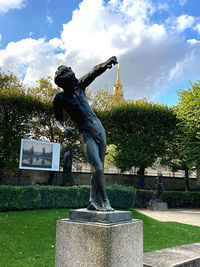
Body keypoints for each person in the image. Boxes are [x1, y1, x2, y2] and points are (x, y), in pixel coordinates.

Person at [53, 56, 118, 211]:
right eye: (70, 82)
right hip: (85, 133)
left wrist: (106, 63)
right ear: (64, 83)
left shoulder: (79, 86)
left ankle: (92, 201)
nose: (74, 83)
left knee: (98, 168)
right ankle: (105, 202)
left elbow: (93, 72)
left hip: (99, 129)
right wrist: (63, 129)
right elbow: (58, 119)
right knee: (98, 167)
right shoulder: (60, 97)